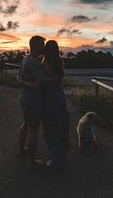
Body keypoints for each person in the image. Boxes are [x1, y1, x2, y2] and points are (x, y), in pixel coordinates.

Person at [20, 40, 70, 172]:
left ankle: (57, 163)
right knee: (60, 130)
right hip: (59, 97)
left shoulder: (45, 64)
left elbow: (40, 84)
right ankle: (61, 159)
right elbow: (54, 80)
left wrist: (21, 81)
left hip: (50, 101)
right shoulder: (57, 63)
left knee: (50, 132)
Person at [18, 35, 46, 170]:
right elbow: (38, 85)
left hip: (24, 97)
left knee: (26, 123)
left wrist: (21, 82)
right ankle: (32, 162)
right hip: (32, 100)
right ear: (36, 46)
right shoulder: (34, 62)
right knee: (33, 130)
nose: (44, 47)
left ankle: (21, 150)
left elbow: (20, 77)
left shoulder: (25, 59)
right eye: (42, 45)